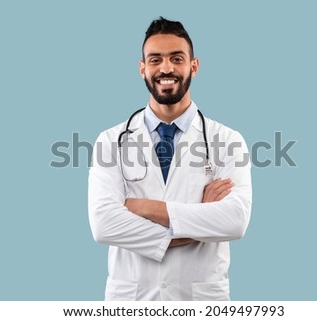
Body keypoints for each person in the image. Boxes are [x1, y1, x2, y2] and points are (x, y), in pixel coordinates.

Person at [88, 17, 252, 301]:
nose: (166, 68)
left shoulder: (228, 140)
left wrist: (144, 207)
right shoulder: (110, 141)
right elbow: (103, 224)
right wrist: (197, 225)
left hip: (200, 301)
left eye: (177, 58)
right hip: (132, 301)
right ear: (142, 69)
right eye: (155, 60)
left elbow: (235, 220)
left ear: (194, 66)